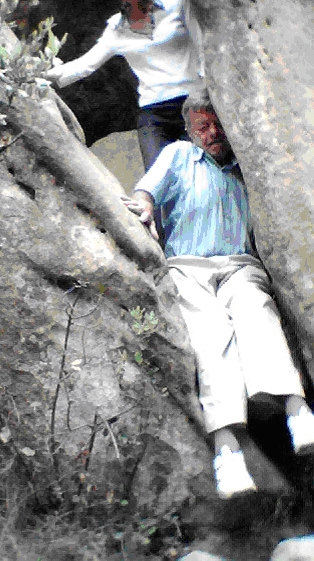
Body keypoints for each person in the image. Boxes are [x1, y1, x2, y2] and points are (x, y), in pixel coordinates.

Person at [123, 89, 314, 499]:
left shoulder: (247, 170)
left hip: (239, 265)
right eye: (202, 127)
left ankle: (298, 414)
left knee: (257, 313)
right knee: (210, 339)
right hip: (189, 266)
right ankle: (227, 453)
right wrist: (141, 205)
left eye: (217, 125)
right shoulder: (179, 155)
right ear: (191, 132)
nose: (212, 134)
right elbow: (149, 189)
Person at [44, 0, 205, 172]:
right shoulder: (116, 28)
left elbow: (202, 45)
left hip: (193, 103)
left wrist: (206, 93)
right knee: (158, 182)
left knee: (207, 176)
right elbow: (84, 66)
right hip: (155, 112)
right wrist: (39, 77)